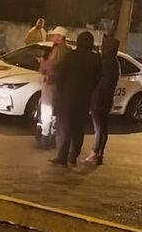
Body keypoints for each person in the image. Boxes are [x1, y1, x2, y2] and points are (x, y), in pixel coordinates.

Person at [50, 30, 101, 167]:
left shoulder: (70, 56)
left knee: (65, 128)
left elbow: (59, 76)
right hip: (83, 99)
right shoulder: (95, 59)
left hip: (67, 99)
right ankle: (73, 156)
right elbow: (97, 79)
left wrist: (60, 93)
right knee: (78, 129)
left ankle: (62, 157)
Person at [84, 35, 120, 165]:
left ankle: (95, 153)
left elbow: (99, 80)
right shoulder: (115, 62)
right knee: (103, 128)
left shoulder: (105, 62)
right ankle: (99, 154)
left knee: (99, 128)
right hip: (107, 99)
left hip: (99, 99)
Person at [37, 26, 71, 150]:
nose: (52, 37)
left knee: (47, 113)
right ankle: (51, 137)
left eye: (55, 35)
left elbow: (50, 68)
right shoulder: (64, 50)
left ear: (61, 37)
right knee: (54, 114)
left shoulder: (60, 51)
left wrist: (42, 63)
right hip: (58, 88)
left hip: (51, 87)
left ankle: (46, 138)